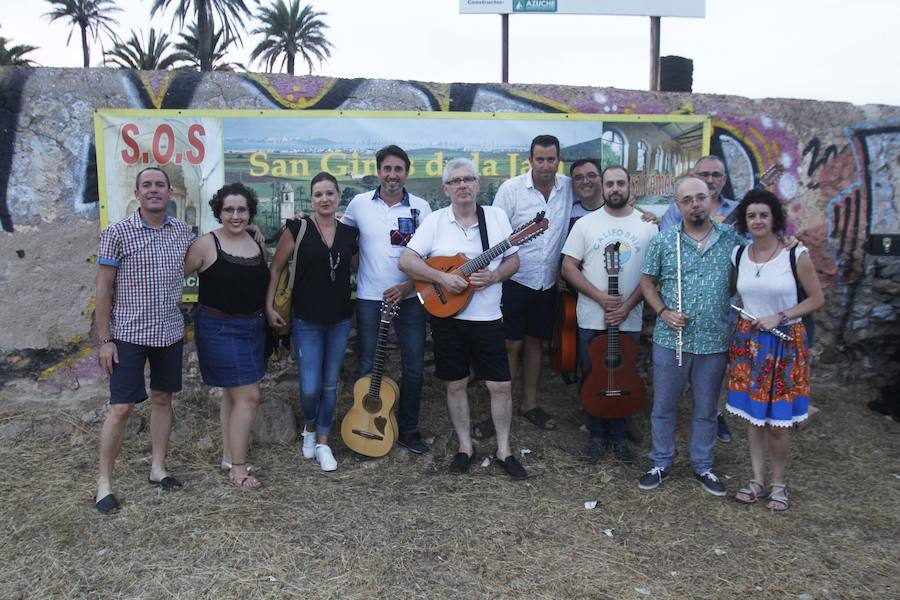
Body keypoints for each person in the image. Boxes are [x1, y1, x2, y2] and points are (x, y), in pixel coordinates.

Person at [399, 158, 527, 480]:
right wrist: (441, 279)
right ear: (446, 189)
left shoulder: (495, 218)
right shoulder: (436, 221)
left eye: (468, 179)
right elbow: (407, 260)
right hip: (447, 318)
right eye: (455, 181)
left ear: (478, 185)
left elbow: (514, 260)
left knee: (501, 385)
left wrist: (495, 276)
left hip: (487, 318)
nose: (462, 186)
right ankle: (465, 447)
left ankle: (504, 450)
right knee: (455, 384)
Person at [93, 167, 195, 513]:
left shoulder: (181, 232)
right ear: (137, 193)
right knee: (121, 408)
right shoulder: (117, 233)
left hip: (168, 333)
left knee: (163, 399)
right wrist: (104, 339)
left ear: (169, 192)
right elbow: (103, 290)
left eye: (159, 185)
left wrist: (254, 232)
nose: (154, 190)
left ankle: (158, 468)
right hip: (127, 336)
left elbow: (213, 249)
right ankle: (104, 484)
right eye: (147, 185)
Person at [638, 176, 744, 497]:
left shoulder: (732, 240)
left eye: (701, 197)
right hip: (673, 340)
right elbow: (646, 282)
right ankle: (661, 461)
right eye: (687, 200)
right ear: (679, 205)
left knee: (706, 407)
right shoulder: (664, 241)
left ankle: (703, 464)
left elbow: (752, 269)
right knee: (664, 405)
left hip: (713, 340)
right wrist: (663, 311)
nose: (695, 204)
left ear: (711, 199)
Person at [725, 189, 824, 511]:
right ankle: (756, 479)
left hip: (784, 344)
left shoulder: (796, 255)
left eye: (763, 215)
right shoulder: (739, 254)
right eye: (751, 215)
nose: (757, 221)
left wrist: (779, 317)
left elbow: (816, 299)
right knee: (755, 419)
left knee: (778, 424)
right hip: (751, 344)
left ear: (774, 219)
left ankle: (779, 484)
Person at [561, 166, 658, 465]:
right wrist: (602, 298)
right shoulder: (585, 224)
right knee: (594, 378)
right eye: (610, 183)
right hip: (592, 317)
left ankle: (619, 436)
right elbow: (568, 268)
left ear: (630, 186)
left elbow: (652, 274)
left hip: (628, 318)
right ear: (602, 188)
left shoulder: (648, 226)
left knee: (624, 375)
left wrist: (627, 306)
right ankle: (596, 436)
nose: (615, 188)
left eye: (620, 183)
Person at [341, 145, 432, 454]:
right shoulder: (359, 204)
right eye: (387, 169)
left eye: (398, 169)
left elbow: (430, 258)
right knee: (366, 362)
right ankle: (363, 425)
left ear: (407, 172)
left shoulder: (422, 207)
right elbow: (342, 241)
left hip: (410, 298)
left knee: (414, 366)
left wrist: (408, 286)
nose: (392, 175)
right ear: (378, 171)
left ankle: (408, 430)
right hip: (369, 298)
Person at [267, 172, 358, 472]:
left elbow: (355, 266)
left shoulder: (348, 233)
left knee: (330, 385)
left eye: (330, 193)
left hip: (341, 319)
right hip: (306, 319)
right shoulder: (299, 227)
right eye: (318, 194)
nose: (324, 199)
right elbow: (277, 267)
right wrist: (268, 306)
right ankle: (308, 426)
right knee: (309, 387)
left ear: (338, 197)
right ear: (312, 197)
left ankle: (323, 441)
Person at [184, 183, 269, 490]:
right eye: (229, 209)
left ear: (250, 212)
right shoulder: (206, 244)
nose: (235, 215)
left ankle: (228, 454)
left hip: (253, 329)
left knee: (234, 396)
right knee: (249, 396)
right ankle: (238, 469)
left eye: (242, 209)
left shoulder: (255, 241)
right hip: (219, 329)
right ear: (218, 212)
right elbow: (175, 276)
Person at [489, 134, 573, 434]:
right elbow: (496, 232)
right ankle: (503, 408)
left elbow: (597, 197)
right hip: (515, 280)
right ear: (530, 160)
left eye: (551, 159)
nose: (546, 165)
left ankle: (529, 405)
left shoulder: (568, 188)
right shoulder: (512, 190)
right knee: (511, 344)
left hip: (547, 283)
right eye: (540, 159)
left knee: (536, 343)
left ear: (558, 160)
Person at [660, 155, 739, 443]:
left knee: (713, 369)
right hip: (680, 306)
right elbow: (668, 243)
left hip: (722, 304)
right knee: (674, 376)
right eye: (703, 173)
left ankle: (712, 414)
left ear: (723, 181)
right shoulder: (674, 211)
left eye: (715, 175)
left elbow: (751, 250)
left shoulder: (738, 213)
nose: (710, 179)